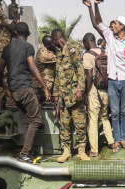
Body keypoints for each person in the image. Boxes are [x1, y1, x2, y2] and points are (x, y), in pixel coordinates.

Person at [0, 22, 51, 163]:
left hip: (13, 90)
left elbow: (0, 69)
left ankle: (28, 152)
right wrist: (45, 87)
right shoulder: (28, 47)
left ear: (15, 32)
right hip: (25, 88)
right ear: (28, 34)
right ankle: (25, 153)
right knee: (36, 120)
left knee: (27, 120)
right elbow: (33, 67)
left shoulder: (7, 48)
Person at [85, 0, 125, 153]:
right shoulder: (110, 36)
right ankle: (117, 140)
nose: (113, 25)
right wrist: (93, 6)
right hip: (113, 80)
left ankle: (123, 139)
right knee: (115, 112)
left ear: (122, 27)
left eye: (116, 23)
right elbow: (96, 23)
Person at [50, 29, 89, 162]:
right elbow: (57, 76)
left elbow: (80, 70)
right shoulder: (59, 53)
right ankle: (66, 152)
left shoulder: (73, 49)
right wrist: (55, 94)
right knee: (64, 125)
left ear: (56, 39)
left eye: (52, 41)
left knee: (80, 124)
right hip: (63, 97)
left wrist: (80, 90)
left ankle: (81, 152)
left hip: (74, 96)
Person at [82, 32, 114, 157]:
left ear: (86, 42)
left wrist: (85, 93)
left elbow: (89, 76)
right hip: (105, 90)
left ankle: (94, 150)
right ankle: (111, 142)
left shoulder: (87, 55)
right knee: (105, 117)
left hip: (93, 92)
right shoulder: (105, 53)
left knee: (93, 120)